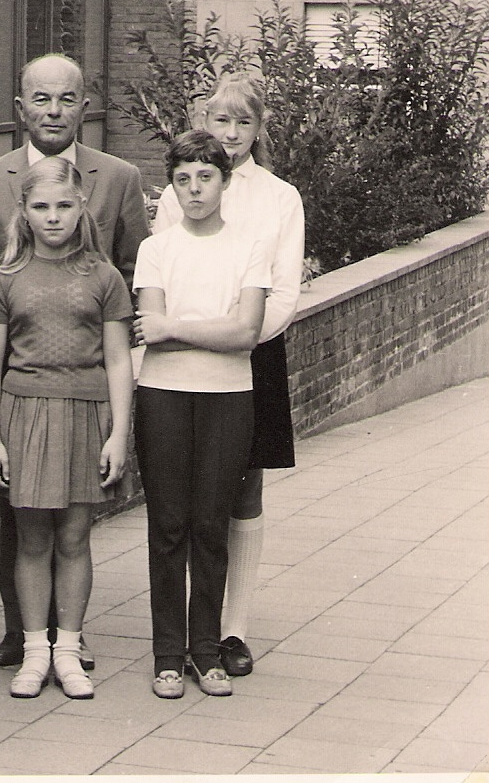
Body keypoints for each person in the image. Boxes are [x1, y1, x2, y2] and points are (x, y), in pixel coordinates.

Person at [0, 52, 151, 671]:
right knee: (21, 517)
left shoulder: (117, 177)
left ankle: (67, 637)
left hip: (86, 371)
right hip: (21, 373)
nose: (53, 111)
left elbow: (131, 269)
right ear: (20, 109)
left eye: (66, 99)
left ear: (83, 107)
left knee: (72, 525)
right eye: (40, 99)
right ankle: (24, 636)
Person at [152, 73, 305, 679]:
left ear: (259, 129)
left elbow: (284, 291)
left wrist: (237, 338)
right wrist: (199, 332)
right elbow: (167, 282)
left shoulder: (279, 197)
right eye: (221, 121)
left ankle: (229, 630)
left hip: (252, 356)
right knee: (182, 499)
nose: (231, 134)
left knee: (241, 491)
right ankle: (183, 633)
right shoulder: (179, 190)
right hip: (182, 357)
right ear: (204, 125)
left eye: (244, 123)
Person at [0, 157, 134, 700]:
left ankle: (68, 651)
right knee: (32, 539)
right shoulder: (5, 279)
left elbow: (118, 360)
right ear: (23, 211)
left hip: (86, 414)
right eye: (41, 207)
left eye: (64, 206)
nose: (53, 217)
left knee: (75, 537)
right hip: (24, 415)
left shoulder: (104, 276)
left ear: (81, 206)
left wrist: (118, 433)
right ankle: (34, 650)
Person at [133, 129, 268, 700]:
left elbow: (246, 332)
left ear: (225, 181)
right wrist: (185, 332)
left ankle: (206, 652)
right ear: (173, 185)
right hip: (162, 395)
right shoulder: (156, 249)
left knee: (211, 525)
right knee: (168, 525)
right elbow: (149, 330)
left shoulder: (249, 246)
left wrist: (176, 328)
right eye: (183, 179)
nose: (193, 189)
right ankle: (168, 655)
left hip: (228, 399)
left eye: (205, 177)